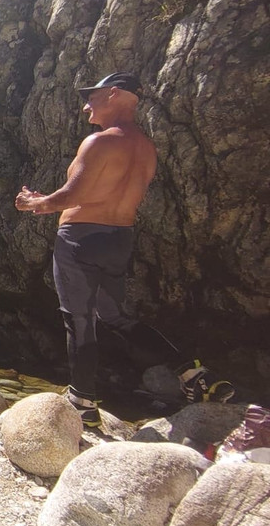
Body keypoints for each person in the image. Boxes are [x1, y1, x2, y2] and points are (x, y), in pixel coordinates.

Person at [15, 71, 231, 426]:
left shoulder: (99, 142)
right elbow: (107, 192)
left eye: (92, 97)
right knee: (115, 316)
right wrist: (50, 200)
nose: (86, 105)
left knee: (79, 320)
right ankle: (191, 372)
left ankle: (82, 401)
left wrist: (34, 204)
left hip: (80, 238)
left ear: (113, 94)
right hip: (118, 238)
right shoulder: (146, 147)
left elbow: (76, 196)